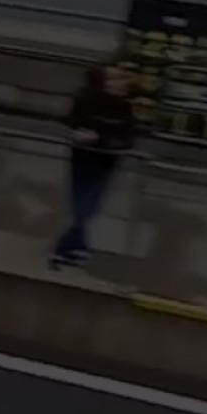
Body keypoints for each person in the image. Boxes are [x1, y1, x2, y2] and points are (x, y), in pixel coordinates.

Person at [51, 63, 136, 269]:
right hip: (82, 160)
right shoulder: (85, 99)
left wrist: (97, 139)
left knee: (86, 207)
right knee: (81, 206)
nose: (121, 83)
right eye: (114, 79)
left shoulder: (124, 107)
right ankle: (73, 248)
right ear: (101, 83)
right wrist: (76, 133)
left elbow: (126, 139)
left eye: (122, 78)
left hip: (105, 164)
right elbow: (70, 121)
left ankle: (66, 248)